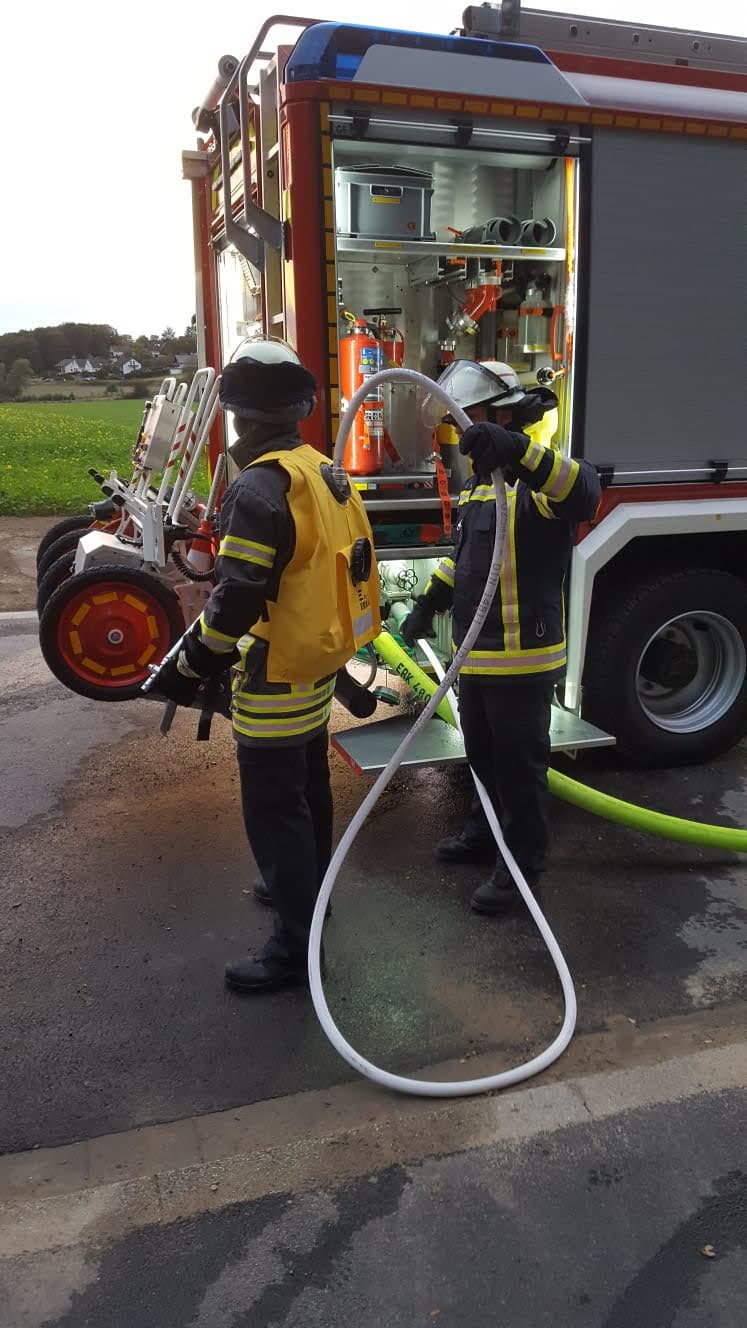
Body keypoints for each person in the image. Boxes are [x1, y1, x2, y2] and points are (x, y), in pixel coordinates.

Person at [151, 339, 380, 991]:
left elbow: (237, 596)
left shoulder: (257, 485)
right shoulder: (320, 470)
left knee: (276, 812)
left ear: (237, 415)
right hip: (313, 666)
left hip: (272, 677)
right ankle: (309, 893)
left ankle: (294, 952)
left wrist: (190, 663)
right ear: (296, 410)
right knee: (308, 793)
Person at [402, 360, 601, 915]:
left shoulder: (539, 478)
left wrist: (518, 452)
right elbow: (465, 557)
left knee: (519, 770)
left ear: (500, 417)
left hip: (522, 661)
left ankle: (520, 869)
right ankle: (483, 834)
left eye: (467, 421)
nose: (460, 435)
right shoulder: (476, 489)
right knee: (482, 759)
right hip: (476, 658)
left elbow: (585, 493)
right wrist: (429, 601)